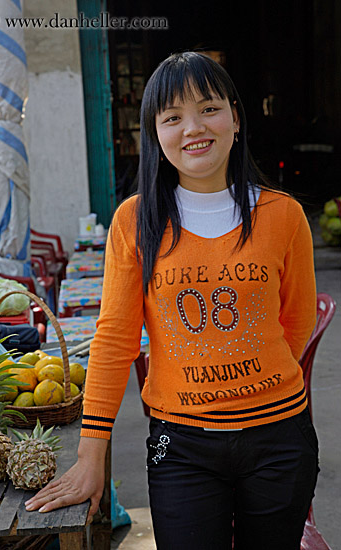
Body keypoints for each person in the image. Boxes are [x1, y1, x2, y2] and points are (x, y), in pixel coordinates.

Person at [25, 52, 319, 549]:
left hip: (279, 440)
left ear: (235, 117)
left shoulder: (283, 215)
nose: (194, 128)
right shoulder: (134, 221)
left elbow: (296, 322)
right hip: (182, 447)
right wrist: (91, 455)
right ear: (155, 136)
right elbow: (116, 340)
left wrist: (249, 385)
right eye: (173, 117)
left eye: (208, 108)